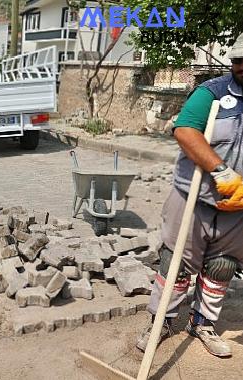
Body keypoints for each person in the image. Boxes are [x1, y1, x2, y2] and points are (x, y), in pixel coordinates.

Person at [136, 33, 243, 358]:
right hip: (193, 198)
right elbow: (185, 130)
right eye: (238, 60)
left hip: (237, 210)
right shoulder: (211, 93)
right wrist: (222, 172)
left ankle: (202, 323)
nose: (241, 66)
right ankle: (161, 322)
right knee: (176, 264)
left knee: (222, 267)